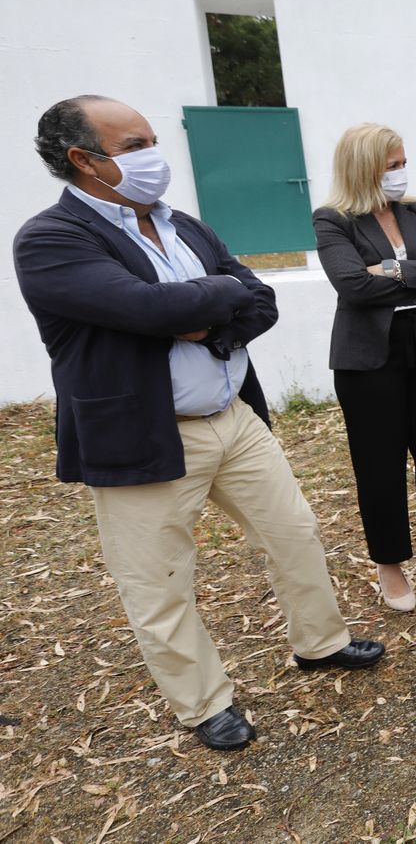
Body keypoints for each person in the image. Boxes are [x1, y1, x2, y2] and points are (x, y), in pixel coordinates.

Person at [13, 96, 384, 752]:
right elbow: (138, 303)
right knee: (158, 579)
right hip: (141, 433)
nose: (154, 154)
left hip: (232, 415)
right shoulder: (50, 240)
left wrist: (190, 315)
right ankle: (203, 703)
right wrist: (185, 304)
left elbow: (256, 297)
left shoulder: (182, 224)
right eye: (135, 145)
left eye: (153, 139)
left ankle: (319, 642)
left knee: (294, 531)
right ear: (82, 160)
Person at [313, 123, 416, 612]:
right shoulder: (332, 219)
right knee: (378, 463)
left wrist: (393, 269)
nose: (400, 174)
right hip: (368, 358)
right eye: (391, 166)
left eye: (402, 164)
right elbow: (352, 286)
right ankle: (390, 563)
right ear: (363, 168)